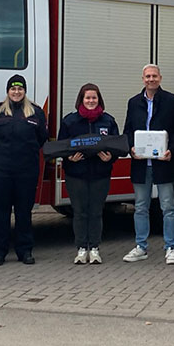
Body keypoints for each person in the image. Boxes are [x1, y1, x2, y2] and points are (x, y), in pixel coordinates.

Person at [122, 64, 174, 265]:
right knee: (140, 207)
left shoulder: (172, 101)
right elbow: (128, 130)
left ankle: (171, 248)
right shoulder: (133, 102)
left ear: (160, 78)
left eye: (154, 76)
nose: (151, 79)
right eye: (147, 76)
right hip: (141, 164)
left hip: (164, 163)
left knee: (168, 206)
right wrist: (131, 148)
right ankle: (141, 246)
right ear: (142, 79)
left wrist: (171, 151)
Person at [0, 74, 47, 266]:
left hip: (26, 171)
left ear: (24, 91)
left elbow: (41, 137)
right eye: (13, 89)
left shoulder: (35, 113)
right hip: (0, 171)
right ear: (8, 91)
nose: (16, 92)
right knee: (0, 213)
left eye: (20, 89)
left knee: (23, 213)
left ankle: (25, 251)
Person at [57, 83, 119, 265]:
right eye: (87, 98)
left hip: (100, 174)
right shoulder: (70, 121)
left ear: (99, 99)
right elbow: (62, 146)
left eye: (94, 98)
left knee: (96, 212)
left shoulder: (108, 121)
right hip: (76, 175)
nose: (91, 101)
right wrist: (70, 159)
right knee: (80, 212)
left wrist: (111, 158)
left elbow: (116, 145)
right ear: (81, 100)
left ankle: (95, 249)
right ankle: (81, 248)